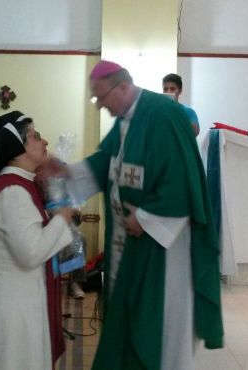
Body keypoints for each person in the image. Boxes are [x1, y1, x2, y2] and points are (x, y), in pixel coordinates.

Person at [48, 61, 223, 370]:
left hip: (161, 244)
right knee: (129, 312)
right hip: (127, 240)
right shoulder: (126, 119)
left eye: (101, 97)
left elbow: (183, 179)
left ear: (123, 87)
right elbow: (106, 162)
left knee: (160, 320)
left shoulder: (163, 114)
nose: (100, 105)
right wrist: (66, 171)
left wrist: (145, 218)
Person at [0, 112, 74, 370]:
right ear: (19, 146)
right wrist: (62, 219)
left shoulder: (21, 185)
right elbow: (30, 252)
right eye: (36, 136)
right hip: (13, 308)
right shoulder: (13, 191)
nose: (45, 141)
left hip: (22, 300)